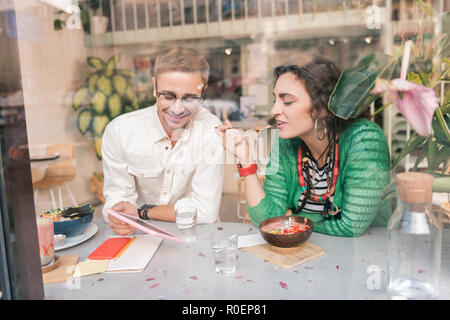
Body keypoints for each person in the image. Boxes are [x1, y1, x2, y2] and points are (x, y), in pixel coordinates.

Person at [216, 57, 391, 237]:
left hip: (367, 255)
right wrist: (246, 160)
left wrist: (292, 222)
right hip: (307, 252)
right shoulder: (287, 142)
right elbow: (267, 218)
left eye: (288, 101)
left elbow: (351, 226)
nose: (274, 110)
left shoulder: (364, 139)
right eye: (275, 99)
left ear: (322, 107)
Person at [102, 47, 224, 236]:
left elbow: (206, 211)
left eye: (190, 98)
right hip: (139, 237)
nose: (177, 109)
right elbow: (116, 198)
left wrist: (144, 212)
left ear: (203, 92)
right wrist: (120, 212)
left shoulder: (211, 131)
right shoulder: (120, 131)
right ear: (154, 87)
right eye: (168, 96)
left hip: (198, 237)